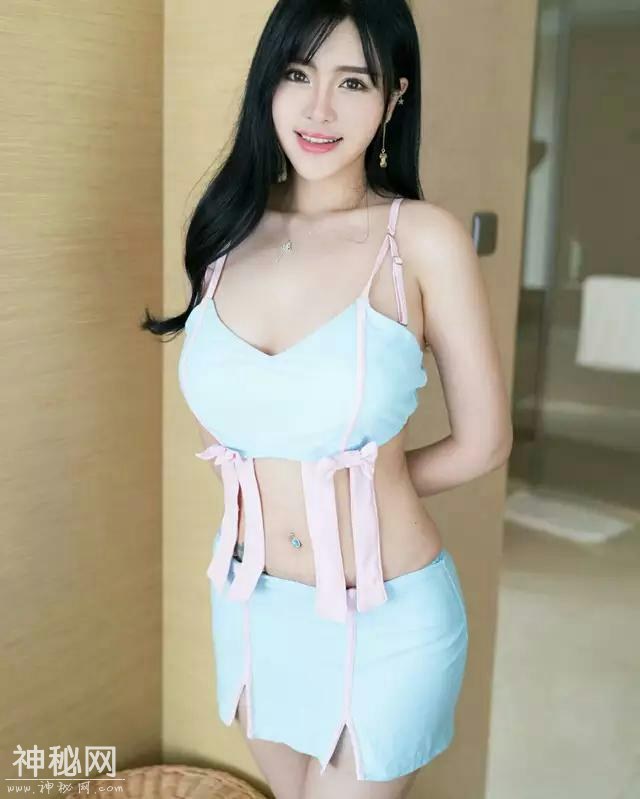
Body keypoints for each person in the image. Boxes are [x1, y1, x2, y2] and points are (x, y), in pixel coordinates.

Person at [142, 1, 512, 797]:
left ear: (394, 97)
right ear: (268, 83)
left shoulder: (421, 240)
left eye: (353, 82)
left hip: (385, 614)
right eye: (297, 73)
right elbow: (227, 424)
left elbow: (484, 442)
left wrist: (366, 483)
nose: (318, 110)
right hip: (251, 604)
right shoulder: (224, 232)